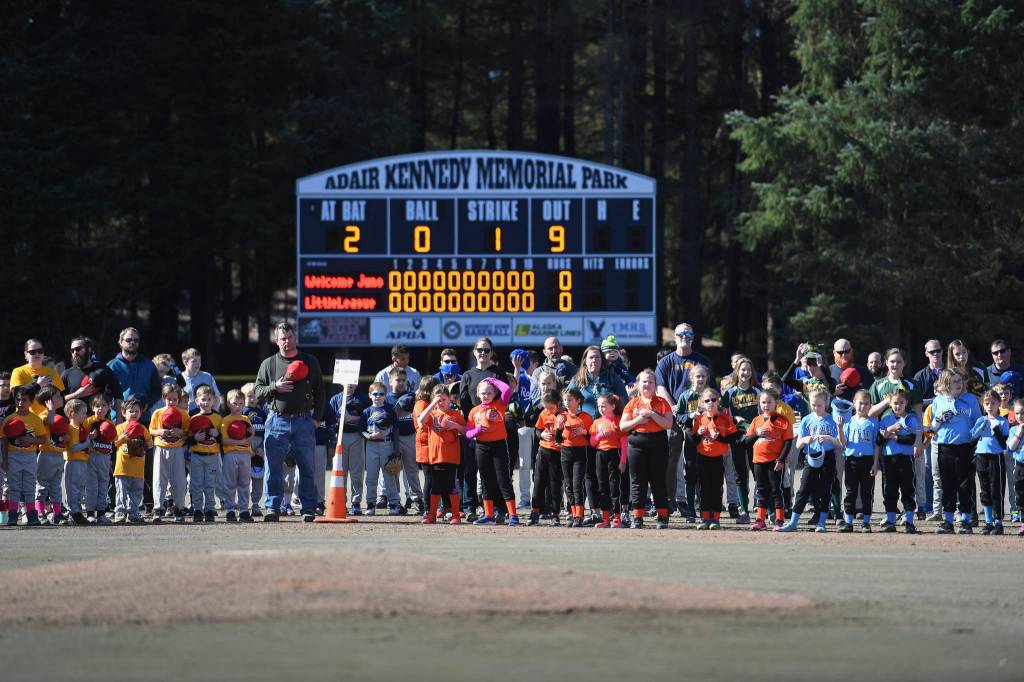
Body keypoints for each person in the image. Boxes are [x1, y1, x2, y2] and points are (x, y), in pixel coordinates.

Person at [252, 322, 325, 523]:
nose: (287, 341)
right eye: (283, 338)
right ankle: (272, 508)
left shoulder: (309, 361)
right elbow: (257, 392)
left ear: (295, 337)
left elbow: (320, 391)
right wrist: (274, 387)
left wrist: (316, 418)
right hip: (277, 420)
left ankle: (308, 508)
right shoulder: (269, 364)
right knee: (273, 467)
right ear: (276, 341)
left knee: (307, 467)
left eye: (290, 337)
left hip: (304, 420)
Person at [568, 345, 627, 524]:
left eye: (598, 357)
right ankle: (595, 512)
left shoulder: (611, 377)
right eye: (591, 357)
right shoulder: (577, 380)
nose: (594, 360)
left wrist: (616, 421)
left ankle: (617, 513)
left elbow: (624, 399)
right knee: (589, 473)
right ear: (585, 360)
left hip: (610, 433)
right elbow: (567, 400)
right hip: (586, 432)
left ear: (602, 360)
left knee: (613, 475)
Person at [780, 390, 842, 533]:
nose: (816, 408)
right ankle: (793, 522)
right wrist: (804, 440)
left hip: (828, 458)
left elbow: (840, 444)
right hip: (810, 457)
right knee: (803, 489)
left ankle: (822, 523)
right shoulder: (806, 419)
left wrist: (829, 438)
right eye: (813, 405)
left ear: (826, 403)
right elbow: (798, 445)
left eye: (819, 405)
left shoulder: (832, 419)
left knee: (826, 490)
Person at [621, 369, 675, 530]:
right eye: (644, 381)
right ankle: (637, 516)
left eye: (651, 382)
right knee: (638, 481)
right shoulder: (632, 403)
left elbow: (668, 424)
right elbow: (623, 426)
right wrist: (638, 419)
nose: (647, 384)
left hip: (658, 443)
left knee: (658, 480)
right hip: (636, 444)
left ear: (655, 385)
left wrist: (651, 414)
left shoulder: (662, 402)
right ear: (638, 384)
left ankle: (662, 516)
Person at [458, 337, 506, 517]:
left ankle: (498, 509)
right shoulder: (468, 375)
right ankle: (469, 507)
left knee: (495, 472)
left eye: (486, 350)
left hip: (493, 431)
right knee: (469, 470)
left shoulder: (498, 373)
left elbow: (505, 399)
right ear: (474, 352)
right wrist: (474, 423)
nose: (483, 353)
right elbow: (464, 403)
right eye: (480, 350)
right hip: (473, 428)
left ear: (491, 352)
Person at [930, 369, 982, 534]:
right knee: (948, 485)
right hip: (944, 448)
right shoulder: (938, 400)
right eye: (954, 381)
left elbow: (978, 422)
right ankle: (948, 521)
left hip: (965, 447)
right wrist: (938, 419)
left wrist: (975, 439)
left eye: (960, 380)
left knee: (965, 485)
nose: (959, 384)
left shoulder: (970, 399)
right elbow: (932, 428)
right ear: (946, 384)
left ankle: (966, 520)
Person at [465, 376, 518, 526]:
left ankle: (513, 515)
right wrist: (476, 430)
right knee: (485, 480)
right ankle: (488, 515)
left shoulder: (499, 404)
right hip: (481, 447)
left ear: (494, 393)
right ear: (478, 394)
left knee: (504, 480)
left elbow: (507, 390)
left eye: (489, 393)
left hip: (499, 445)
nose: (486, 395)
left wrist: (492, 380)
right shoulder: (474, 411)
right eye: (483, 393)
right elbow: (468, 433)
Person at [743, 390, 792, 531]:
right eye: (763, 402)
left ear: (776, 403)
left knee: (776, 490)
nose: (766, 405)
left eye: (769, 402)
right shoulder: (756, 420)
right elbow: (747, 442)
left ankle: (779, 520)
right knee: (761, 490)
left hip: (774, 461)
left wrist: (781, 459)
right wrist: (756, 434)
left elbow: (788, 441)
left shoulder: (782, 420)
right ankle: (760, 520)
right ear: (759, 403)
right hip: (758, 461)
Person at [420, 383, 466, 525]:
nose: (441, 403)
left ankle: (456, 515)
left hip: (451, 456)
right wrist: (432, 404)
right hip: (435, 456)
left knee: (451, 485)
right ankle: (432, 515)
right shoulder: (432, 414)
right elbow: (421, 420)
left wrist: (455, 426)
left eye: (444, 400)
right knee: (436, 486)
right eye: (438, 400)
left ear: (449, 399)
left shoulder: (455, 414)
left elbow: (466, 431)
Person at [877, 389, 922, 533]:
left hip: (906, 459)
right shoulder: (885, 420)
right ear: (890, 404)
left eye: (901, 403)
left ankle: (909, 520)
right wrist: (890, 429)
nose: (898, 406)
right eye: (895, 403)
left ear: (906, 403)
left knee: (907, 489)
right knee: (889, 490)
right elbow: (879, 440)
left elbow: (911, 439)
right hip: (889, 459)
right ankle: (890, 520)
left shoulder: (911, 419)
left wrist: (893, 437)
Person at [674, 364, 713, 523]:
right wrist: (691, 415)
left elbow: (720, 412)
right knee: (690, 472)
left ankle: (706, 509)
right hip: (691, 436)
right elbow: (679, 416)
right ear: (691, 378)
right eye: (698, 376)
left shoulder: (711, 395)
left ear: (707, 378)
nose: (700, 379)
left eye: (703, 376)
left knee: (707, 474)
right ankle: (691, 509)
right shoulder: (685, 396)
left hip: (708, 437)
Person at [723, 357, 760, 524]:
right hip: (737, 437)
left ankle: (765, 511)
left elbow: (763, 414)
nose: (746, 372)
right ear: (736, 372)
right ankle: (744, 511)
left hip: (754, 436)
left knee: (758, 473)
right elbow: (724, 416)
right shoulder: (730, 393)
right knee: (740, 474)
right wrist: (734, 420)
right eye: (743, 369)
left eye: (749, 370)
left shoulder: (757, 392)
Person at [2, 385, 46, 525]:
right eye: (18, 400)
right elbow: (4, 441)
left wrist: (30, 440)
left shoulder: (36, 419)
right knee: (13, 487)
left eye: (24, 400)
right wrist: (5, 459)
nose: (20, 403)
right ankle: (12, 515)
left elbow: (43, 439)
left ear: (31, 401)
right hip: (13, 455)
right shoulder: (9, 419)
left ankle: (32, 515)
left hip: (30, 456)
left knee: (29, 487)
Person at [837, 390, 879, 533]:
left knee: (867, 492)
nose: (863, 406)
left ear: (870, 405)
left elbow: (876, 445)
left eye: (866, 404)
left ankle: (866, 522)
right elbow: (843, 443)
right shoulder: (848, 422)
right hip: (851, 461)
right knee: (851, 492)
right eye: (860, 403)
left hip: (867, 461)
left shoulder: (873, 423)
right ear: (854, 404)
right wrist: (840, 429)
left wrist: (875, 463)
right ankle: (848, 522)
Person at [149, 384, 190, 524]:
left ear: (179, 400)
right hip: (161, 447)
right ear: (164, 398)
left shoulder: (183, 414)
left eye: (175, 399)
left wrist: (181, 432)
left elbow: (188, 432)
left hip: (177, 449)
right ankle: (158, 508)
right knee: (159, 479)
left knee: (179, 479)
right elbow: (151, 430)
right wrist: (160, 432)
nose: (172, 402)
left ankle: (179, 507)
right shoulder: (158, 413)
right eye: (169, 399)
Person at [913, 340, 944, 519]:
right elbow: (916, 402)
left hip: (948, 428)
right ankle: (928, 504)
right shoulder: (919, 376)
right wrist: (936, 401)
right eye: (932, 351)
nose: (935, 354)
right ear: (926, 353)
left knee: (947, 467)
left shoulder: (949, 373)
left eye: (938, 350)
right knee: (928, 467)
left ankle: (948, 505)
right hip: (928, 427)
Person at [971, 390, 1009, 535]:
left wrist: (997, 431)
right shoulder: (981, 420)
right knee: (985, 489)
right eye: (987, 403)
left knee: (996, 490)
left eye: (993, 403)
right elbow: (972, 440)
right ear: (983, 405)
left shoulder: (1002, 421)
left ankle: (998, 522)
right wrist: (980, 430)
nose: (990, 406)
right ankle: (988, 522)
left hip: (995, 457)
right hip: (981, 456)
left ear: (998, 404)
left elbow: (1004, 444)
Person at [360, 382, 401, 515]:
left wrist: (396, 449)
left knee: (389, 475)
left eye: (381, 394)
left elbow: (395, 430)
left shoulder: (389, 410)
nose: (378, 396)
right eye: (375, 394)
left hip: (386, 444)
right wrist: (369, 436)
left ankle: (393, 504)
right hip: (371, 445)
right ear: (370, 395)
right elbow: (361, 429)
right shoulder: (367, 411)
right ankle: (370, 504)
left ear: (385, 395)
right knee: (371, 476)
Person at [386, 367, 423, 514]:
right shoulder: (387, 399)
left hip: (409, 436)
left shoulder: (412, 397)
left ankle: (416, 499)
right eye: (398, 380)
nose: (401, 383)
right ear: (390, 381)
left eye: (404, 380)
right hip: (393, 438)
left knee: (412, 469)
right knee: (393, 469)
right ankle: (395, 501)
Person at [329, 382, 367, 516]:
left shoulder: (362, 399)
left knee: (357, 471)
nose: (350, 384)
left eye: (352, 382)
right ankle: (341, 502)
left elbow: (368, 417)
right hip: (340, 437)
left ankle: (356, 502)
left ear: (356, 383)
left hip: (356, 436)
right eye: (347, 382)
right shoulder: (335, 399)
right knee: (341, 472)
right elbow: (330, 419)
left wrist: (352, 418)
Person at [558, 387, 594, 527]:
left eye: (570, 400)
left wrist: (584, 432)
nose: (566, 403)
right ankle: (573, 514)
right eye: (565, 400)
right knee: (568, 485)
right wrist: (559, 428)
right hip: (565, 452)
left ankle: (579, 515)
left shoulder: (586, 417)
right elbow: (558, 440)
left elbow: (592, 440)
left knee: (577, 484)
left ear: (578, 400)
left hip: (580, 452)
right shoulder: (562, 416)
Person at [112, 397, 152, 524]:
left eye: (137, 411)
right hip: (123, 467)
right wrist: (121, 439)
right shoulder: (119, 427)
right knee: (121, 492)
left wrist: (143, 444)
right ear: (124, 413)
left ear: (140, 413)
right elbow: (113, 444)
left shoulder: (143, 428)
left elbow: (150, 444)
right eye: (131, 411)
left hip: (138, 468)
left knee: (137, 492)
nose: (134, 413)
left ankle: (133, 513)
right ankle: (120, 512)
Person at [590, 393, 627, 528]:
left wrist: (623, 461)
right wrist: (601, 435)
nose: (601, 409)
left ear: (613, 406)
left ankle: (617, 517)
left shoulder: (618, 421)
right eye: (599, 406)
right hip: (600, 454)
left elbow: (624, 442)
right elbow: (592, 442)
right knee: (602, 486)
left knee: (614, 486)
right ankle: (605, 518)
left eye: (604, 406)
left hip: (614, 454)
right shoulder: (596, 422)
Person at [530, 388, 566, 526]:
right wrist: (542, 435)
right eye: (546, 407)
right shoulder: (544, 413)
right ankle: (535, 512)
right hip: (543, 451)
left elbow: (566, 436)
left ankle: (555, 514)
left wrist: (561, 437)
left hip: (557, 454)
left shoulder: (564, 415)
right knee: (538, 483)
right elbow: (538, 430)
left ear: (558, 403)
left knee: (555, 485)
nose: (549, 410)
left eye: (551, 407)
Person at [188, 385, 222, 523]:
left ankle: (209, 509)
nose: (206, 402)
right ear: (197, 401)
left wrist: (217, 435)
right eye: (203, 399)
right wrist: (195, 438)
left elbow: (223, 440)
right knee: (196, 484)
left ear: (213, 401)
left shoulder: (218, 418)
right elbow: (187, 439)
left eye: (209, 399)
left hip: (212, 456)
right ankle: (197, 510)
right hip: (196, 455)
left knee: (210, 484)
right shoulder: (192, 418)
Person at [62, 336, 124, 410]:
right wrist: (77, 394)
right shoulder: (67, 374)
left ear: (89, 349)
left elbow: (117, 394)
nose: (75, 352)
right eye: (72, 351)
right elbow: (58, 400)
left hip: (100, 416)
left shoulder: (103, 370)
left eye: (78, 349)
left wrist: (119, 415)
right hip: (75, 416)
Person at [35, 387, 66, 525]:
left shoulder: (60, 417)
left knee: (56, 488)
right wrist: (51, 410)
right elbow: (49, 422)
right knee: (42, 486)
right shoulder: (43, 415)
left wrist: (66, 437)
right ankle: (40, 513)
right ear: (48, 402)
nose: (61, 398)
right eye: (57, 396)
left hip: (58, 455)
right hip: (46, 456)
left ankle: (57, 514)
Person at [11, 339, 65, 417]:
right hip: (27, 418)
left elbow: (62, 398)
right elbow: (17, 395)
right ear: (26, 354)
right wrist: (38, 385)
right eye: (33, 352)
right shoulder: (18, 371)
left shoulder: (52, 372)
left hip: (49, 418)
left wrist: (53, 390)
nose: (37, 354)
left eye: (40, 351)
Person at [83, 394, 116, 524]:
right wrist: (89, 437)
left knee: (103, 484)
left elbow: (112, 442)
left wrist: (110, 460)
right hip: (91, 457)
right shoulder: (88, 421)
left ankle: (101, 512)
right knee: (91, 485)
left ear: (108, 407)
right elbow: (81, 437)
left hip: (105, 457)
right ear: (92, 408)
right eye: (97, 406)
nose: (101, 408)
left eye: (104, 405)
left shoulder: (110, 423)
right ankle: (90, 512)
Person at [412, 377, 440, 520]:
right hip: (425, 445)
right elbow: (421, 423)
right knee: (429, 478)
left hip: (432, 444)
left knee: (435, 478)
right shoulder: (421, 403)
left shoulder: (427, 403)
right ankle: (427, 509)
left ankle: (435, 508)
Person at [63, 398, 92, 525]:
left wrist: (88, 439)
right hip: (73, 462)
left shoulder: (80, 428)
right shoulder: (71, 428)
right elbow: (74, 448)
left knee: (80, 489)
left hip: (82, 461)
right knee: (72, 488)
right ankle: (73, 512)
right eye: (83, 413)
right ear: (73, 414)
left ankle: (77, 510)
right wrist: (87, 443)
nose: (85, 415)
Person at [240, 383, 267, 516]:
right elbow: (239, 433)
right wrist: (248, 448)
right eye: (249, 396)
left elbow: (267, 433)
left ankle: (255, 504)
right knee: (244, 478)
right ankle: (243, 504)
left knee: (258, 477)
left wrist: (262, 449)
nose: (252, 399)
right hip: (245, 448)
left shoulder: (262, 413)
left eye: (255, 396)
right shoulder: (242, 413)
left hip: (259, 449)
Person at [1006, 400, 1024, 536]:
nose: (1020, 416)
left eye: (1023, 413)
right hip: (1020, 466)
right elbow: (1011, 447)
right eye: (1017, 413)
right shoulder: (1013, 429)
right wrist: (1020, 432)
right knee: (1020, 494)